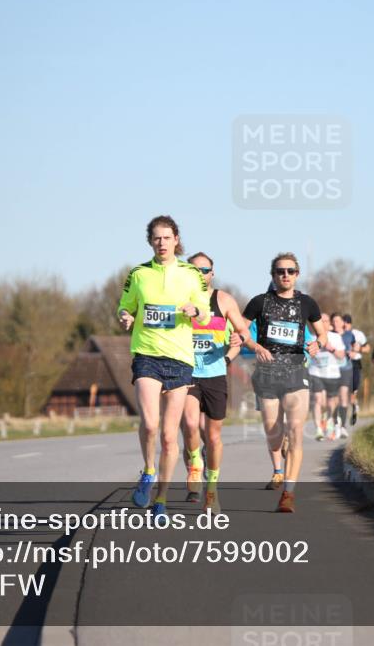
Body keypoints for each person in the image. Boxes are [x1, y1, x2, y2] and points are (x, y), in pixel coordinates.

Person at [118, 216, 212, 524]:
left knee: (171, 438)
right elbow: (125, 305)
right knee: (149, 424)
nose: (162, 243)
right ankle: (148, 471)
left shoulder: (190, 274)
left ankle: (161, 498)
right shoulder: (139, 274)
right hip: (147, 354)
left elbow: (205, 312)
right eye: (156, 238)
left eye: (167, 237)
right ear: (150, 241)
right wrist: (126, 317)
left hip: (180, 359)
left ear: (176, 240)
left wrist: (195, 310)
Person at [240, 253, 326, 513]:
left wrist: (317, 344)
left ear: (297, 274)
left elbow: (323, 334)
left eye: (290, 271)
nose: (285, 275)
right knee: (273, 434)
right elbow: (241, 332)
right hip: (267, 374)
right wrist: (255, 346)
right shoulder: (259, 302)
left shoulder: (307, 303)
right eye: (280, 271)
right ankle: (280, 451)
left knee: (296, 429)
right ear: (273, 275)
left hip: (295, 372)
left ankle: (288, 493)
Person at [181, 252, 250, 512]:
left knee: (213, 436)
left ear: (212, 273)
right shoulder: (180, 300)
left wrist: (237, 341)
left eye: (205, 269)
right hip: (187, 371)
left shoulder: (223, 299)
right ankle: (195, 462)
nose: (200, 274)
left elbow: (243, 331)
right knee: (189, 424)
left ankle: (211, 489)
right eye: (194, 270)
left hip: (215, 373)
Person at [309, 313, 345, 441]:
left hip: (332, 373)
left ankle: (330, 420)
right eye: (320, 321)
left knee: (330, 403)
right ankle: (318, 429)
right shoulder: (311, 337)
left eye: (325, 321)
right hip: (315, 372)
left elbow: (341, 356)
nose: (322, 323)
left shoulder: (335, 337)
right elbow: (306, 356)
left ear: (329, 324)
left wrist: (331, 349)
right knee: (318, 400)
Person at [329, 313, 353, 438]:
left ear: (343, 323)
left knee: (343, 396)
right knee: (333, 398)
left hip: (345, 368)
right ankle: (334, 425)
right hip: (332, 369)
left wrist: (353, 351)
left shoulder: (349, 334)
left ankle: (342, 426)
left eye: (337, 320)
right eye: (333, 321)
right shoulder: (330, 335)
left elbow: (356, 346)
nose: (335, 323)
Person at [342, 314, 368, 426]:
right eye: (343, 323)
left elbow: (367, 348)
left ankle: (354, 407)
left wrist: (359, 349)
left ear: (350, 323)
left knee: (352, 392)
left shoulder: (358, 334)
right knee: (343, 390)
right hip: (342, 364)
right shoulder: (339, 335)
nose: (345, 325)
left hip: (355, 364)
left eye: (347, 323)